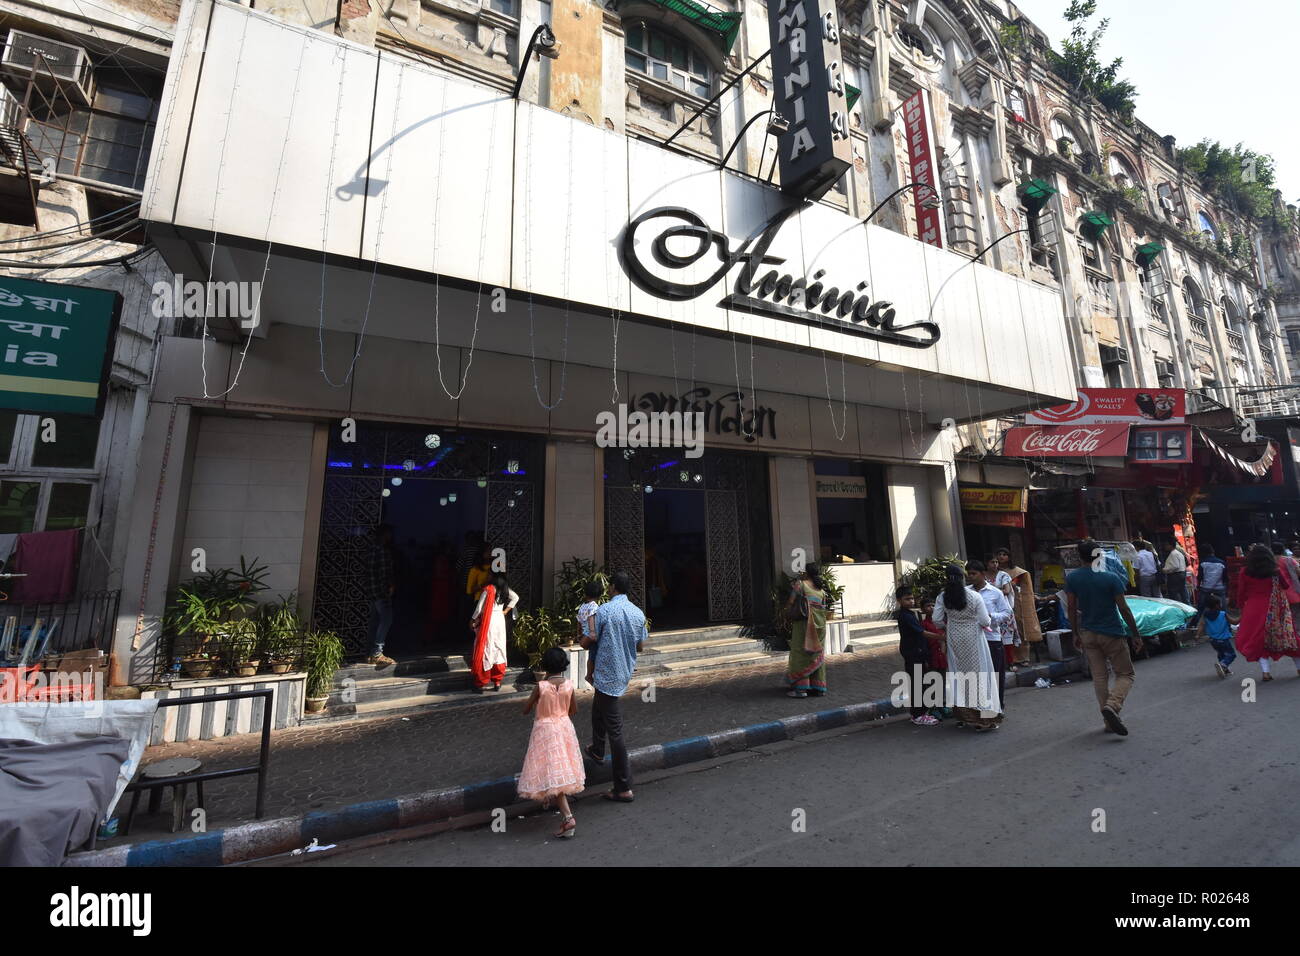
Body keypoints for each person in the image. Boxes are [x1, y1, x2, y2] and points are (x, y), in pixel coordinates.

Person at [1065, 539, 1141, 736]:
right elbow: (1124, 608)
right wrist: (1135, 633)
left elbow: (1071, 608)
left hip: (1088, 633)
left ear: (1079, 557)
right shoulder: (1111, 578)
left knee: (1100, 677)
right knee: (1125, 674)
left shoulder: (1073, 578)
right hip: (1112, 632)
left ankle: (1108, 721)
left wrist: (1075, 632)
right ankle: (1113, 705)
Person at [582, 570, 646, 802]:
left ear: (613, 588)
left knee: (615, 731)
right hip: (622, 672)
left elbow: (590, 639)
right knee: (598, 707)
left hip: (607, 673)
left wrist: (583, 640)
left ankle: (623, 786)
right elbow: (640, 646)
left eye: (609, 586)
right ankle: (597, 749)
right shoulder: (638, 613)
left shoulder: (604, 611)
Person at [517, 646, 585, 839]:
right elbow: (574, 710)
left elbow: (526, 709)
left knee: (549, 768)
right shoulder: (569, 685)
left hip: (545, 730)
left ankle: (568, 817)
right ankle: (549, 798)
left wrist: (540, 705)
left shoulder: (541, 686)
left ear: (545, 665)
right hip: (564, 727)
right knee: (558, 766)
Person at [931, 563, 1000, 731]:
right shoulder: (974, 596)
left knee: (958, 675)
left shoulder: (943, 597)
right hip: (974, 638)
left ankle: (963, 716)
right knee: (979, 674)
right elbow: (985, 621)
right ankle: (983, 718)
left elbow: (936, 620)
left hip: (954, 637)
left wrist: (949, 626)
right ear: (962, 578)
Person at [1233, 544, 1300, 682]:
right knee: (1288, 637)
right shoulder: (1275, 571)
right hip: (1275, 608)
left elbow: (1241, 593)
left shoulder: (1245, 571)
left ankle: (1266, 672)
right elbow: (1285, 586)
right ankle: (1299, 667)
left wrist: (1241, 608)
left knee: (1259, 640)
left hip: (1253, 609)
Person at [967, 561, 1013, 715]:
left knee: (995, 674)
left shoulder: (995, 592)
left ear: (983, 574)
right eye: (969, 574)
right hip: (972, 639)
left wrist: (990, 616)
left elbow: (1007, 613)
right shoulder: (966, 592)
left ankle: (998, 706)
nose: (971, 577)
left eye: (974, 573)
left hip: (991, 638)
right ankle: (980, 707)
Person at [783, 563, 829, 698]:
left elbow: (791, 602)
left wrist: (786, 612)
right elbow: (823, 608)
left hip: (804, 624)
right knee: (816, 653)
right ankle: (818, 687)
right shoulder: (821, 591)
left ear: (806, 572)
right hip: (820, 625)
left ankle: (801, 689)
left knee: (801, 653)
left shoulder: (800, 585)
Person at [895, 588, 938, 726]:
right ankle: (918, 714)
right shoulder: (905, 616)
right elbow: (922, 633)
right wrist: (941, 637)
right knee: (917, 684)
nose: (911, 601)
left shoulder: (910, 614)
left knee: (920, 683)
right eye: (907, 599)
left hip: (917, 653)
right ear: (899, 600)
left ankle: (920, 713)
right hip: (913, 654)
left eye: (912, 598)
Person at [469, 573, 519, 692]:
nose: (487, 577)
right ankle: (497, 682)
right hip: (499, 620)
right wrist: (505, 611)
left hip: (489, 620)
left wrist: (472, 619)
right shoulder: (505, 589)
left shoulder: (488, 590)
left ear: (494, 579)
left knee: (487, 647)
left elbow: (479, 608)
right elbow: (516, 597)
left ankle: (481, 683)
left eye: (489, 576)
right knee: (498, 647)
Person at [364, 524, 397, 668]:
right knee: (386, 620)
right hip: (381, 592)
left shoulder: (370, 550)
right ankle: (377, 652)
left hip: (371, 591)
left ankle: (370, 653)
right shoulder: (382, 551)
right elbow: (385, 573)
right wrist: (390, 587)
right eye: (389, 534)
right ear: (385, 535)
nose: (391, 537)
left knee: (375, 621)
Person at [1194, 594, 1238, 679]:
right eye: (1220, 603)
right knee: (1231, 655)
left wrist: (1197, 635)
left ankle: (1224, 670)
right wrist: (1242, 616)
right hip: (1224, 640)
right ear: (1217, 605)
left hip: (1213, 641)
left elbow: (1201, 625)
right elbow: (1234, 622)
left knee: (1221, 654)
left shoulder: (1205, 615)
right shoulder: (1223, 614)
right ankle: (1223, 665)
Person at [577, 580, 603, 688]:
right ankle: (589, 675)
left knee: (591, 655)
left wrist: (579, 634)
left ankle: (589, 674)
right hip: (590, 634)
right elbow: (591, 618)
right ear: (599, 595)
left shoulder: (582, 606)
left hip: (584, 634)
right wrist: (592, 632)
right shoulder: (594, 606)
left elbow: (579, 621)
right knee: (593, 655)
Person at [1196, 544, 1228, 613]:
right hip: (1219, 587)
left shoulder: (1202, 563)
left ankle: (1199, 616)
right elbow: (1225, 577)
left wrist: (1198, 586)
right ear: (1213, 551)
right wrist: (1225, 586)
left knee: (1201, 604)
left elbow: (1200, 577)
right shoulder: (1222, 563)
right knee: (1223, 602)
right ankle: (1225, 614)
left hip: (1206, 587)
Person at [1163, 539, 1189, 604]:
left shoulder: (1173, 554)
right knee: (1182, 592)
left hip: (1175, 575)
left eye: (1166, 545)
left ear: (1171, 545)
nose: (1165, 546)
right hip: (1182, 573)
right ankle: (1186, 605)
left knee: (1174, 593)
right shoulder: (1178, 553)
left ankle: (1178, 606)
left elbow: (1175, 566)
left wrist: (1165, 570)